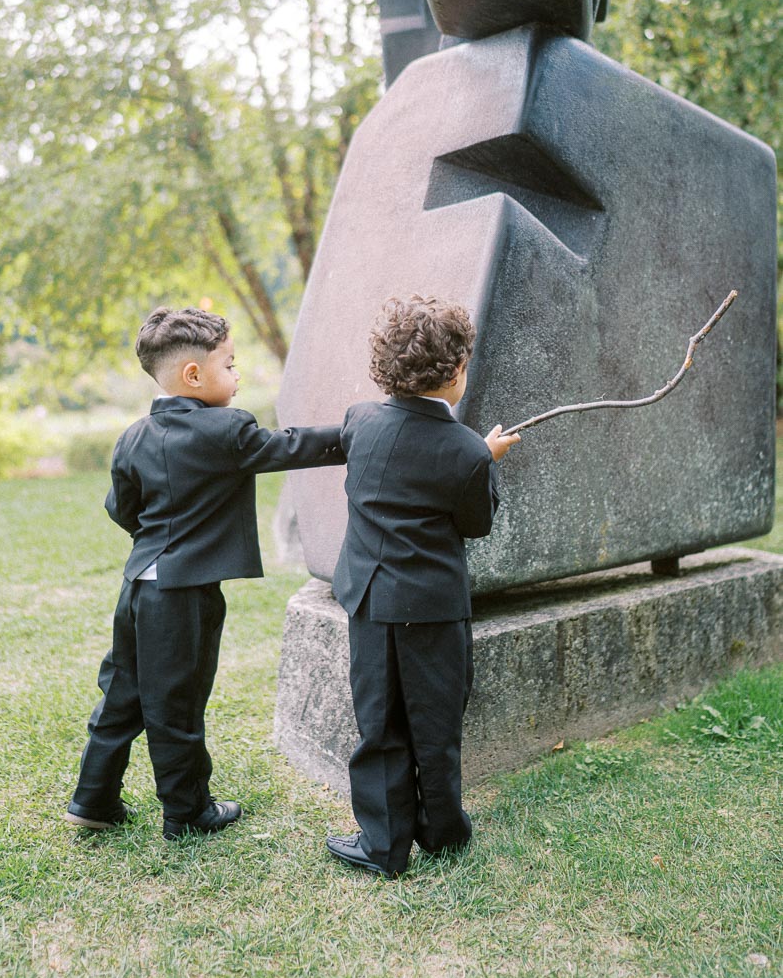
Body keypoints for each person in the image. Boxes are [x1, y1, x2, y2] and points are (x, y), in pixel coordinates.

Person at [65, 305, 344, 841]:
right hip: (184, 596)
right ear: (194, 375)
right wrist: (358, 432)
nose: (238, 377)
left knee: (122, 691)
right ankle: (188, 812)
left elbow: (121, 508)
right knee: (178, 703)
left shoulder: (133, 436)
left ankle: (93, 798)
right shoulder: (227, 430)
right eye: (231, 365)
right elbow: (291, 446)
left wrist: (155, 540)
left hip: (138, 588)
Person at [326, 294, 519, 878]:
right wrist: (484, 459)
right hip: (433, 611)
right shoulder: (465, 451)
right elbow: (475, 524)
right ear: (458, 371)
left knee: (379, 723)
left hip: (369, 603)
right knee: (436, 725)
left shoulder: (360, 420)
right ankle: (443, 831)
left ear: (384, 368)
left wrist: (474, 456)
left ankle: (384, 844)